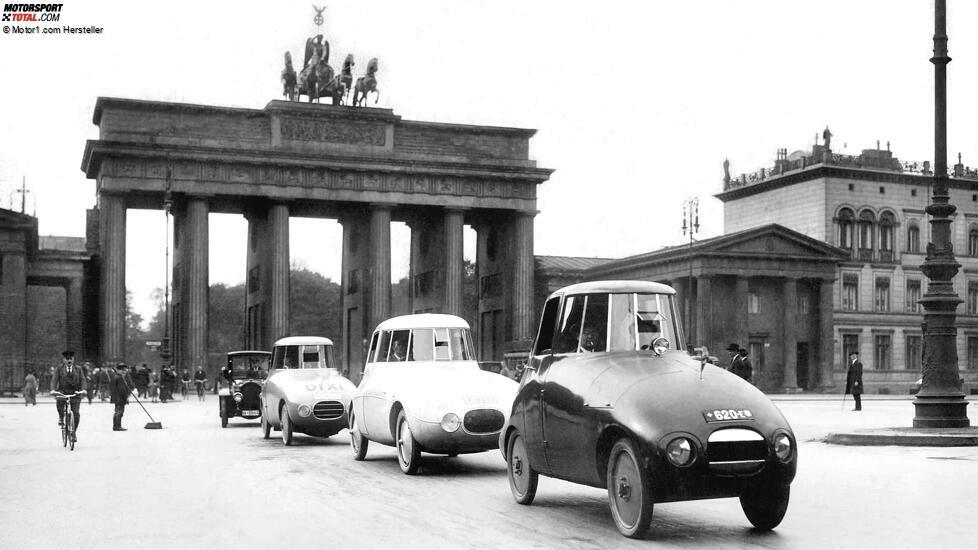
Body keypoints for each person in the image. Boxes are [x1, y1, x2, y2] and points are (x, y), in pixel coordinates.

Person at [51, 350, 86, 437]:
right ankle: (61, 417)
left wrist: (83, 389)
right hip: (63, 391)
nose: (69, 361)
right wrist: (53, 389)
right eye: (67, 359)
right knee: (59, 400)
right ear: (64, 360)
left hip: (75, 392)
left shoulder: (78, 369)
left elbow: (83, 380)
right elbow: (54, 380)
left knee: (76, 414)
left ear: (73, 360)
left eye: (71, 359)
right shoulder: (59, 368)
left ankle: (73, 432)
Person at [110, 363, 135, 431]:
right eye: (123, 370)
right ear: (119, 370)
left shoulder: (116, 376)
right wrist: (126, 397)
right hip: (120, 398)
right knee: (119, 412)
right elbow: (122, 389)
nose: (124, 372)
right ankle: (117, 426)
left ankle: (116, 426)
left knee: (117, 412)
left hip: (117, 397)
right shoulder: (119, 377)